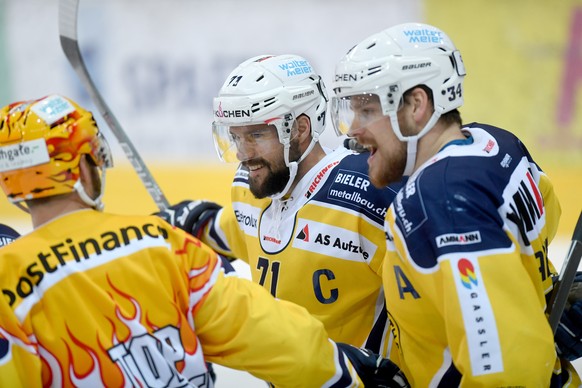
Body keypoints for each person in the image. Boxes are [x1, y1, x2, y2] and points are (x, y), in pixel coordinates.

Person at [0, 94, 410, 387]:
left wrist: (208, 223)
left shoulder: (7, 278)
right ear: (87, 167)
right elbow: (271, 334)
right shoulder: (159, 244)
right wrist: (345, 372)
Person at [330, 22, 581, 386]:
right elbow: (545, 215)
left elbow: (505, 370)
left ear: (417, 104)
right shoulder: (495, 144)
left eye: (367, 110)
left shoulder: (439, 199)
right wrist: (538, 292)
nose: (353, 128)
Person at [157, 54, 405, 357]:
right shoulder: (249, 188)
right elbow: (235, 230)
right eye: (235, 137)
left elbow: (425, 306)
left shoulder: (367, 197)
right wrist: (192, 223)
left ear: (300, 129)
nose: (242, 154)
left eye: (256, 135)